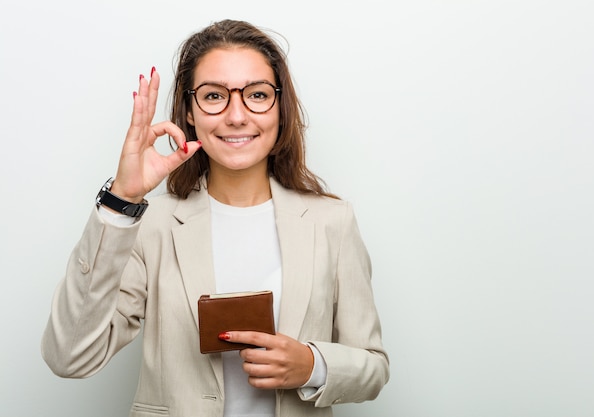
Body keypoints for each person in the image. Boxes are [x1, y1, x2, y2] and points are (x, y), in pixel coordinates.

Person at [41, 19, 389, 417]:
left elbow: (374, 366)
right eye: (213, 96)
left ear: (280, 106)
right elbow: (69, 357)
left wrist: (313, 365)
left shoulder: (332, 221)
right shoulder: (150, 226)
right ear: (189, 111)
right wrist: (122, 200)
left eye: (257, 95)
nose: (237, 116)